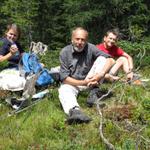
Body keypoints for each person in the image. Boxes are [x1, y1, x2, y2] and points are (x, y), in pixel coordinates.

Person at [58, 27, 114, 124]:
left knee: (102, 59)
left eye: (83, 40)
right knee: (63, 89)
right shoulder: (64, 52)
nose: (79, 42)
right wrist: (83, 83)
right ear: (72, 39)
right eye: (77, 39)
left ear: (86, 41)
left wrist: (100, 75)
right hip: (73, 83)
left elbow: (111, 60)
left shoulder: (91, 48)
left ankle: (94, 95)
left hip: (91, 80)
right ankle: (75, 112)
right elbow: (64, 78)